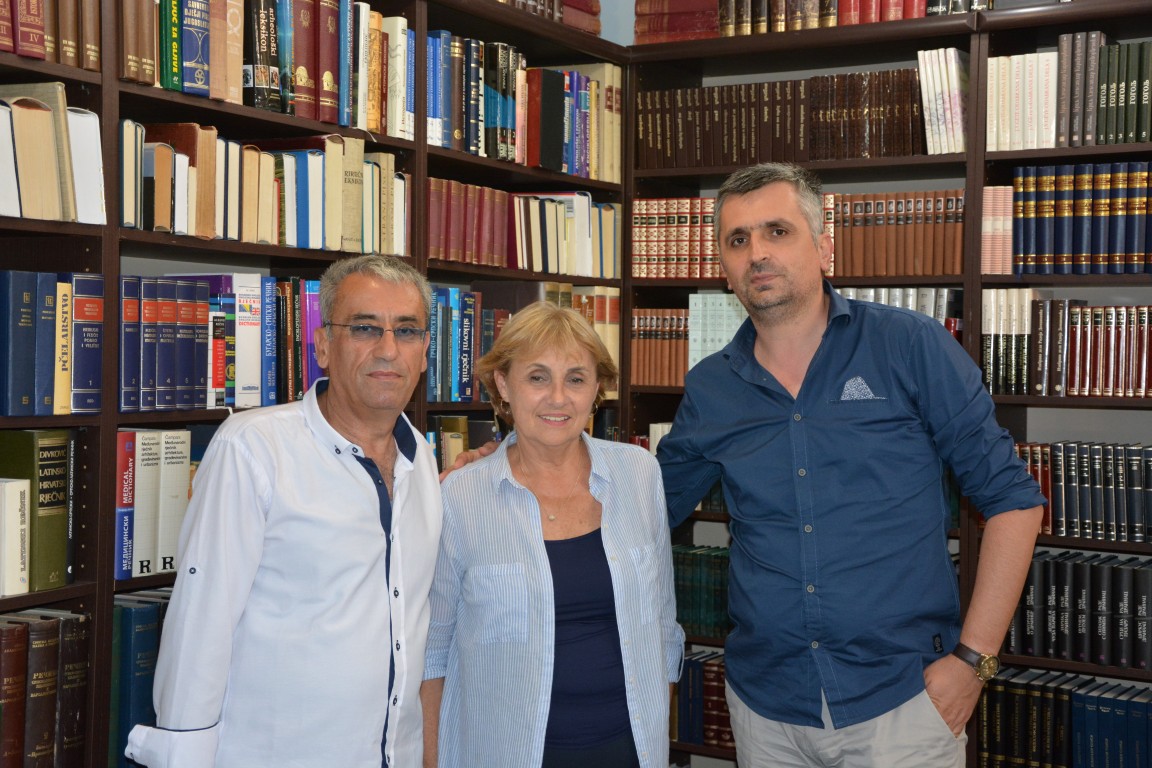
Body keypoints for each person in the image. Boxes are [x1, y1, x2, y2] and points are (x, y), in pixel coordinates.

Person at [655, 163, 1046, 767]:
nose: (757, 253)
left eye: (777, 231)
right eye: (737, 239)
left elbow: (1014, 501)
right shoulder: (712, 387)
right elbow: (646, 506)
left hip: (902, 703)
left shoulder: (909, 345)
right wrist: (534, 454)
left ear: (824, 246)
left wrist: (974, 662)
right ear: (723, 266)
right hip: (766, 710)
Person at [125, 254, 443, 768]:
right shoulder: (254, 449)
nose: (388, 349)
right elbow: (200, 624)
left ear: (425, 352)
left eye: (406, 331)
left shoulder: (421, 461)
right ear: (323, 345)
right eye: (365, 328)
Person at [421, 301, 684, 768]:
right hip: (505, 753)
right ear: (504, 385)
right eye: (538, 377)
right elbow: (433, 655)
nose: (558, 398)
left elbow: (662, 626)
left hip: (630, 748)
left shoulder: (640, 474)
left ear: (596, 389)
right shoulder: (460, 498)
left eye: (576, 379)